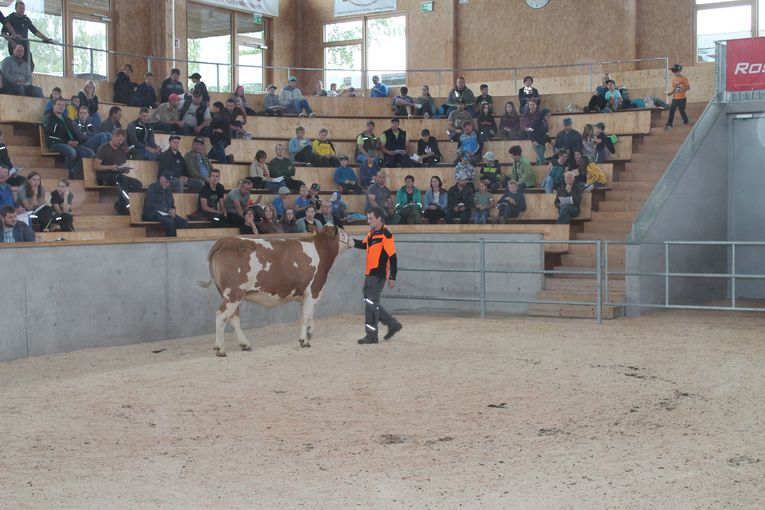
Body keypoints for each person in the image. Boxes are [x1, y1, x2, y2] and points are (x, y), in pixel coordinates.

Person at [353, 206, 402, 344]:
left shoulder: (386, 235)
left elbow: (393, 257)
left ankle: (372, 335)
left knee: (370, 304)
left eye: (371, 219)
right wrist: (349, 242)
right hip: (369, 273)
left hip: (378, 274)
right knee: (371, 303)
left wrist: (393, 277)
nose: (368, 221)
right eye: (368, 218)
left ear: (379, 219)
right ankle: (392, 324)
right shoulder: (371, 234)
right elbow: (363, 245)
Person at [42, 97, 94, 179]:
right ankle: (67, 176)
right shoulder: (49, 118)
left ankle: (73, 172)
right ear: (53, 106)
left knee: (90, 153)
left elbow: (75, 133)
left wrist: (77, 141)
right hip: (55, 143)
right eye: (58, 104)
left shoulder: (67, 119)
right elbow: (51, 134)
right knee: (71, 152)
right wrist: (67, 142)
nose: (61, 106)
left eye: (63, 105)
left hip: (70, 143)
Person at [3, 1, 53, 72]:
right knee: (17, 65)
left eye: (23, 8)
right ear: (16, 8)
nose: (22, 10)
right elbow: (3, 33)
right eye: (20, 8)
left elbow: (35, 31)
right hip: (14, 47)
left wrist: (46, 38)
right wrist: (12, 43)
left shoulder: (26, 19)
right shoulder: (10, 18)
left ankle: (27, 81)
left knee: (30, 66)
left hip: (25, 47)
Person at [142, 172, 188, 236]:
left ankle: (177, 241)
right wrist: (165, 210)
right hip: (152, 213)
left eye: (169, 182)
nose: (168, 184)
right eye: (167, 182)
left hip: (166, 213)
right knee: (170, 222)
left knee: (183, 222)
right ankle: (170, 242)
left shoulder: (168, 190)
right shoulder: (152, 188)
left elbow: (172, 204)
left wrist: (173, 210)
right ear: (161, 178)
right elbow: (150, 204)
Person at [665, 63, 691, 130]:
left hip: (682, 98)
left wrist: (683, 89)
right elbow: (675, 88)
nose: (674, 72)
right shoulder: (673, 79)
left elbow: (688, 87)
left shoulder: (684, 79)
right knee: (672, 111)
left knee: (681, 110)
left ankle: (686, 121)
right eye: (673, 71)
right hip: (675, 98)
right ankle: (669, 124)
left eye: (675, 71)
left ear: (679, 71)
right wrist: (671, 93)